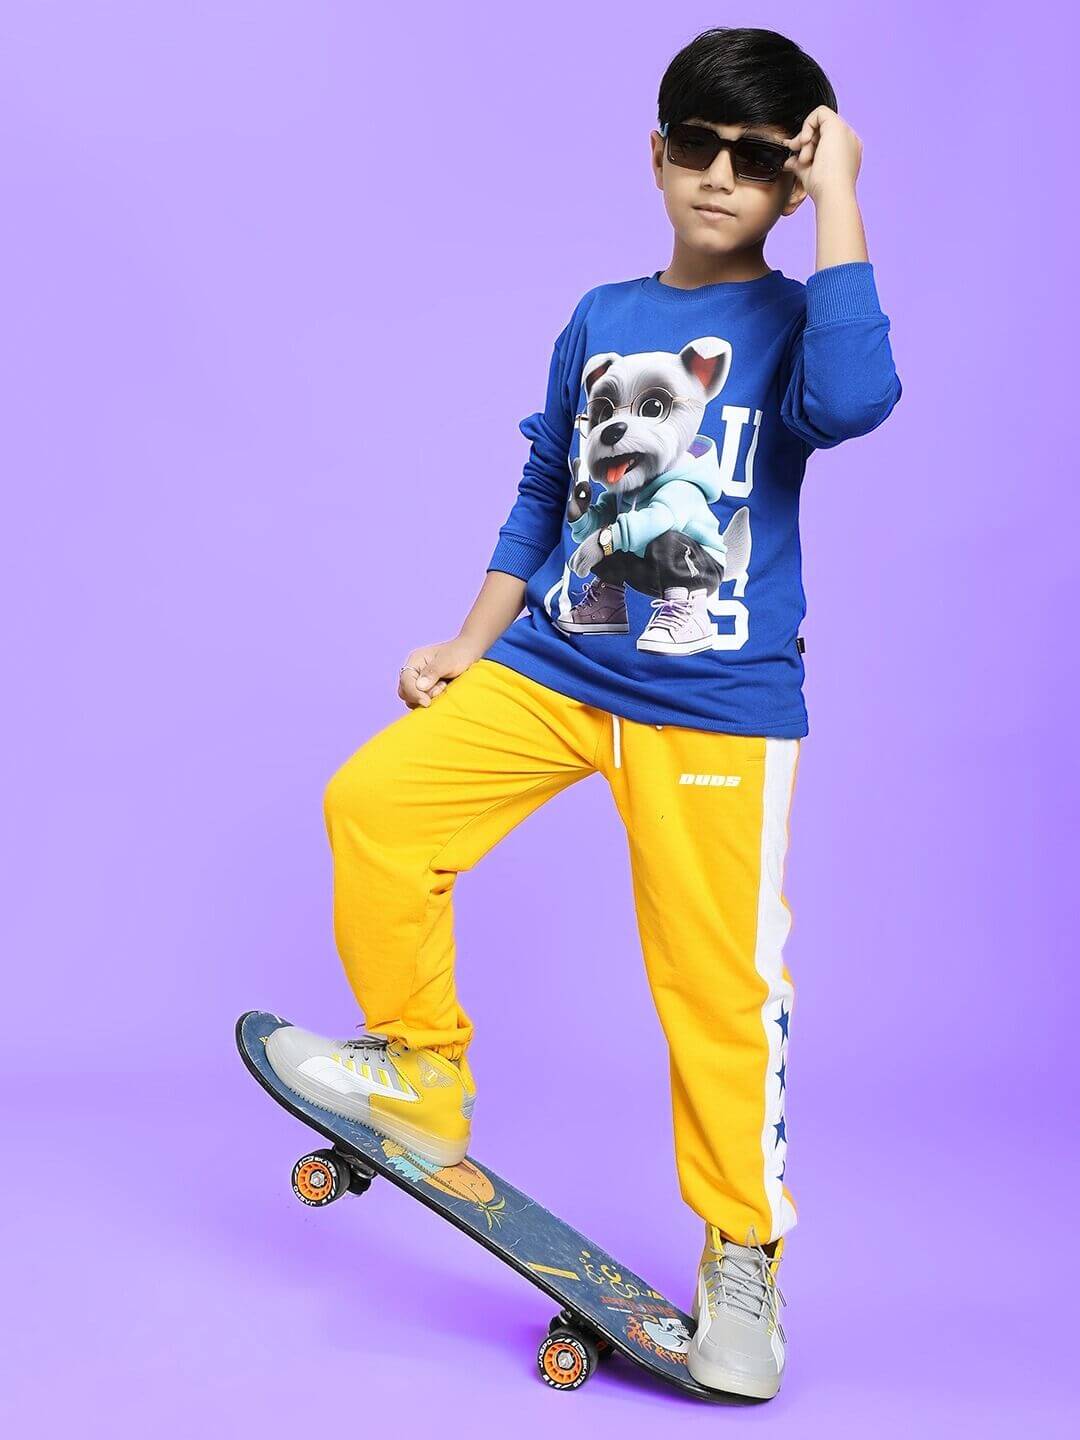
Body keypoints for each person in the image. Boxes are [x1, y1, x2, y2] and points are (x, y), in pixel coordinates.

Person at [265, 25, 901, 1399]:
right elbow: (548, 489)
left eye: (758, 160)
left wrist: (843, 190)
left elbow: (858, 399)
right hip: (560, 669)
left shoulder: (795, 322)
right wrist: (468, 639)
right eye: (696, 147)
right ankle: (421, 1072)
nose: (720, 177)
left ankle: (743, 1263)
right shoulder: (602, 317)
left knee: (715, 992)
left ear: (788, 183)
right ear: (655, 152)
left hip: (717, 708)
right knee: (374, 806)